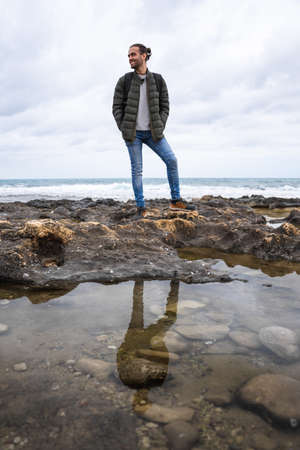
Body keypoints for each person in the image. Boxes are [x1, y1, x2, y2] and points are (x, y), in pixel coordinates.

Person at [112, 43, 195, 217]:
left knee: (171, 160)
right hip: (133, 134)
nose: (130, 58)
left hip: (153, 133)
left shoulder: (157, 80)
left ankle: (175, 201)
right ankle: (141, 208)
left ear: (144, 56)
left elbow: (165, 106)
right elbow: (116, 107)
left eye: (133, 54)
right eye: (128, 56)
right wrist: (124, 127)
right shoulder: (125, 81)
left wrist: (160, 124)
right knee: (137, 170)